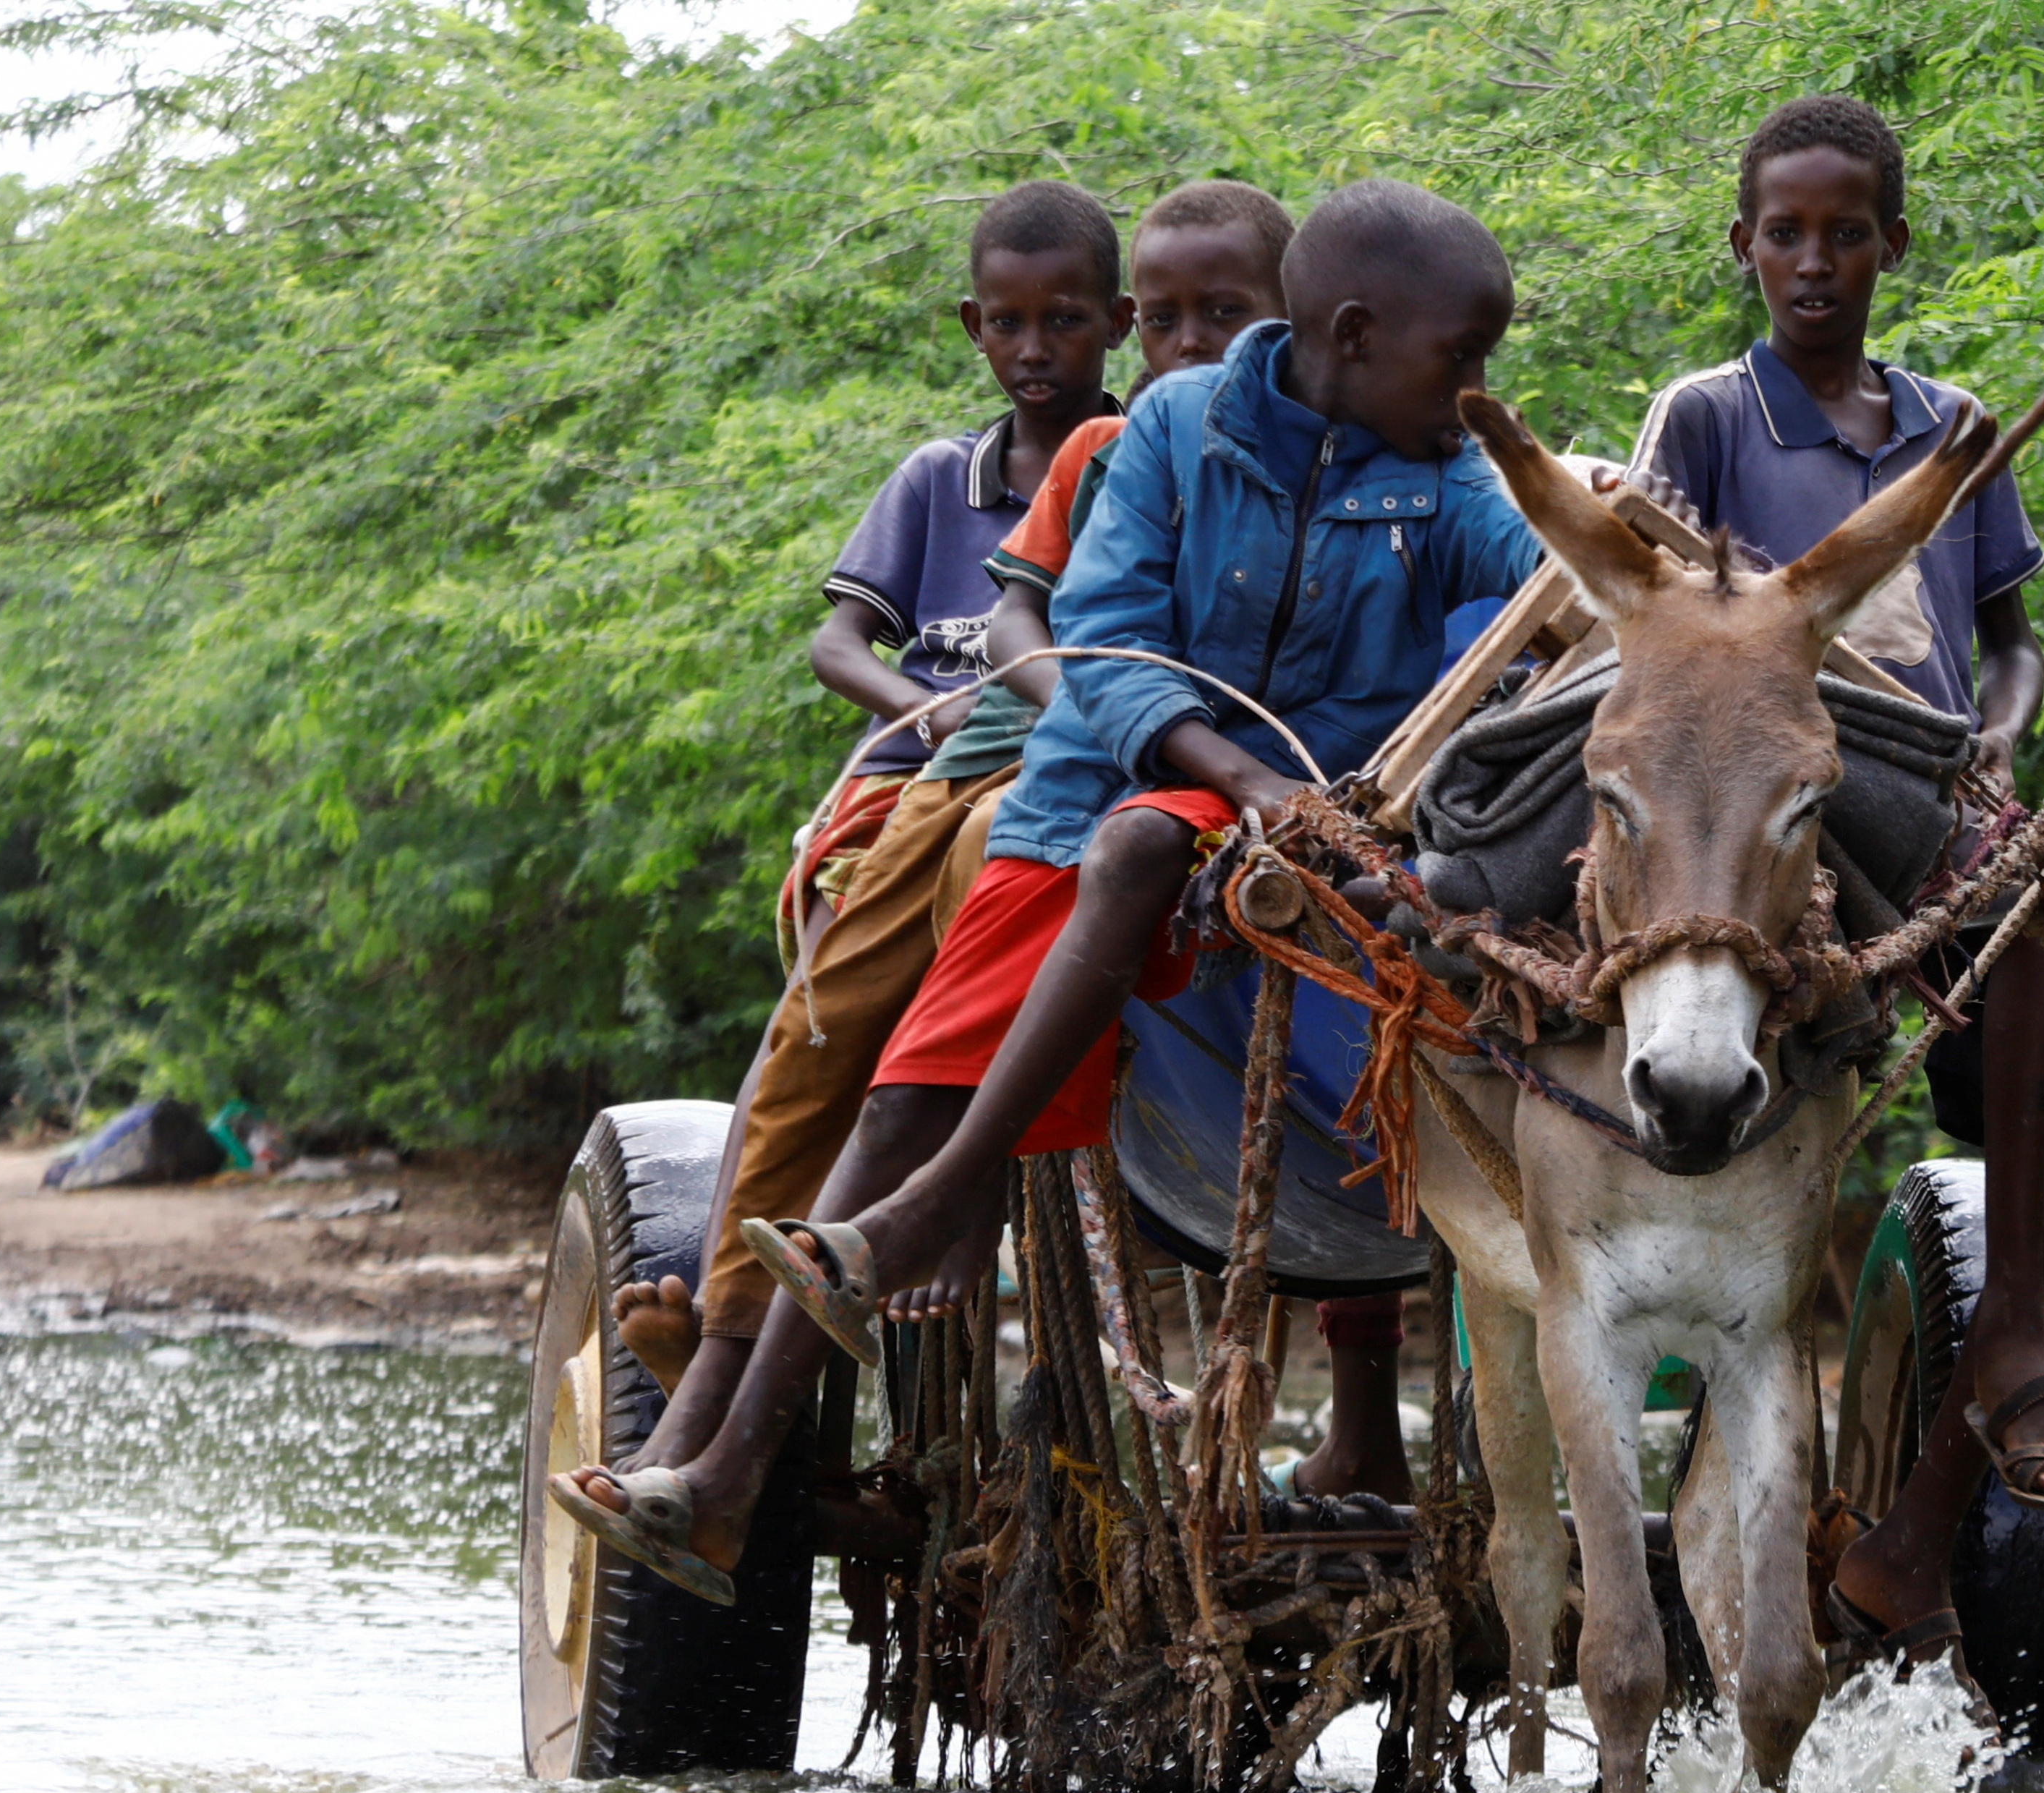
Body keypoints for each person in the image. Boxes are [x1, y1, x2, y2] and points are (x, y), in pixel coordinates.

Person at [559, 179, 1542, 1601]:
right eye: (1460, 359)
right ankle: (721, 1467)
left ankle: (927, 1230)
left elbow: (1542, 570)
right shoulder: (1165, 431)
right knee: (897, 1084)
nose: (1476, 390)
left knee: (1213, 874)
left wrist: (1661, 566)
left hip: (1309, 811)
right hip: (1100, 782)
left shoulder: (1441, 474)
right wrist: (1243, 778)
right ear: (1350, 336)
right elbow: (1100, 641)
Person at [1628, 93, 2044, 1682]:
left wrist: (2001, 732)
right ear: (1743, 246)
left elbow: (2012, 638)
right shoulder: (1705, 416)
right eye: (1785, 232)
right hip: (1758, 800)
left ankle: (1916, 1529)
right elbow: (1661, 615)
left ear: (1891, 247)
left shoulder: (1951, 422)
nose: (1814, 260)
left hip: (1924, 793)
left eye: (1845, 234)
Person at [607, 179, 1135, 1468]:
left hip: (1062, 775)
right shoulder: (940, 479)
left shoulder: (1143, 464)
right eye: (1007, 323)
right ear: (972, 325)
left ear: (1115, 325)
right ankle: (733, 1312)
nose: (1033, 349)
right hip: (917, 767)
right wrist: (926, 710)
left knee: (996, 862)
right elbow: (837, 643)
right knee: (820, 1000)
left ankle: (956, 1207)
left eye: (1064, 321)